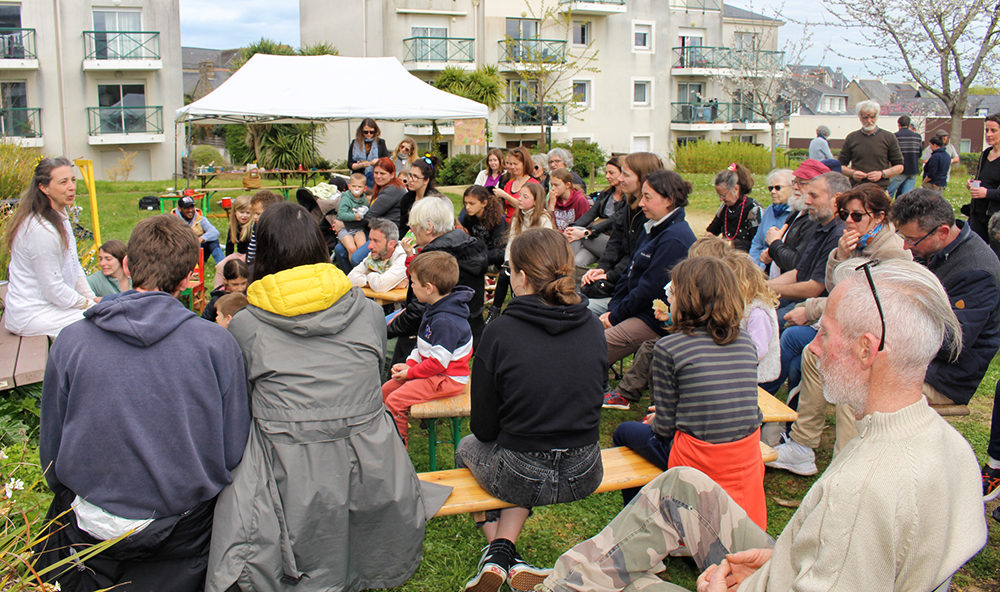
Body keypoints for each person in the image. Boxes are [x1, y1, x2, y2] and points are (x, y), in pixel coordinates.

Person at [534, 259, 987, 592]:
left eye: (823, 334)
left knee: (621, 584)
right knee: (681, 486)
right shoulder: (944, 444)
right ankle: (566, 577)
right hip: (787, 565)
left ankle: (563, 582)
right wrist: (776, 562)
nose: (811, 350)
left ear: (868, 350)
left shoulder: (869, 486)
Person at [206, 202, 439, 592]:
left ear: (263, 254)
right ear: (318, 247)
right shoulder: (364, 313)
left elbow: (238, 408)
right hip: (370, 465)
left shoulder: (245, 325)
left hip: (288, 472)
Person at [35, 214, 251, 591]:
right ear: (188, 278)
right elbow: (233, 450)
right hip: (185, 527)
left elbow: (51, 447)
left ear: (127, 265)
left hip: (89, 520)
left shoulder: (71, 341)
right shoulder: (217, 345)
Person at [457, 228, 606, 592]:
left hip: (521, 471)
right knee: (517, 454)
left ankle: (498, 550)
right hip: (586, 466)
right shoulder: (591, 324)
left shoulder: (500, 332)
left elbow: (484, 429)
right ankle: (505, 553)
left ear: (521, 277)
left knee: (466, 448)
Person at [765, 185, 911, 472]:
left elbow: (863, 302)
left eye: (857, 215)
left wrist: (810, 309)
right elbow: (834, 287)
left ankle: (844, 461)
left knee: (837, 364)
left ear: (880, 216)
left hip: (882, 338)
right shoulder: (853, 240)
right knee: (812, 354)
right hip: (854, 329)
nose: (850, 221)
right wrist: (841, 256)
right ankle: (802, 445)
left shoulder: (891, 251)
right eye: (845, 214)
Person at [611, 257, 766, 525]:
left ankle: (644, 520)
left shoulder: (669, 348)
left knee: (624, 432)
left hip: (699, 460)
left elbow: (665, 430)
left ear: (685, 299)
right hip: (744, 456)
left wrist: (657, 419)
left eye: (672, 291)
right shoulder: (745, 342)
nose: (668, 295)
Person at [603, 236, 735, 410]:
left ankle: (655, 405)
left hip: (695, 346)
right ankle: (632, 396)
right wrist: (670, 317)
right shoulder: (700, 288)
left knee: (658, 352)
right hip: (685, 339)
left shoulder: (710, 294)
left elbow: (698, 323)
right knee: (650, 349)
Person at [601, 170, 697, 365]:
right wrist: (614, 307)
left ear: (668, 200)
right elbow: (629, 273)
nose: (641, 203)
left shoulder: (674, 239)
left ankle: (598, 388)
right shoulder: (653, 227)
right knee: (582, 312)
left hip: (653, 318)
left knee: (596, 345)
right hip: (630, 307)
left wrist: (615, 316)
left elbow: (648, 291)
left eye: (647, 197)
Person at [382, 251, 473, 447]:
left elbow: (438, 363)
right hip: (433, 371)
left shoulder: (445, 321)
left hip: (447, 378)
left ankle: (398, 448)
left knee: (395, 401)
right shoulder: (434, 306)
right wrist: (409, 364)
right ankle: (383, 436)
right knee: (385, 392)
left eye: (413, 282)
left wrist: (411, 373)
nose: (411, 286)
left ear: (429, 288)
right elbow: (422, 345)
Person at [389, 196, 487, 365]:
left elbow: (418, 313)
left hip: (437, 337)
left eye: (413, 227)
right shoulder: (470, 246)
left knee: (387, 360)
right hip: (470, 330)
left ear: (429, 228)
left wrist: (386, 330)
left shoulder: (434, 259)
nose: (411, 231)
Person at [3, 157, 96, 337]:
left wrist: (91, 297)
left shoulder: (60, 216)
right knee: (99, 326)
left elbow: (74, 265)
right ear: (44, 188)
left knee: (106, 317)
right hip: (32, 314)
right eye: (63, 182)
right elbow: (53, 290)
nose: (72, 187)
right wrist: (88, 304)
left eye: (73, 180)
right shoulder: (41, 230)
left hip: (54, 307)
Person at [581, 152, 663, 315]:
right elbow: (616, 242)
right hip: (620, 280)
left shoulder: (649, 214)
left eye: (625, 174)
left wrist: (609, 276)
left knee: (580, 308)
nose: (620, 179)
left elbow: (636, 256)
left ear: (642, 177)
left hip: (630, 290)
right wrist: (602, 269)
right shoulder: (629, 204)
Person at [767, 172, 849, 327]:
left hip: (817, 306)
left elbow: (813, 289)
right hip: (802, 298)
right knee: (755, 307)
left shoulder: (838, 234)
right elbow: (799, 272)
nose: (808, 201)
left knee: (767, 322)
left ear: (836, 199)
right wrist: (761, 286)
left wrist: (763, 288)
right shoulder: (821, 225)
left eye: (814, 196)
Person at [487, 183, 554, 322]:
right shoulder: (518, 217)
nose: (520, 199)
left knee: (517, 274)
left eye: (525, 196)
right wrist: (508, 261)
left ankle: (519, 306)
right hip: (519, 258)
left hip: (536, 260)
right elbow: (512, 241)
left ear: (536, 201)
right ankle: (495, 311)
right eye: (519, 195)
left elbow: (544, 247)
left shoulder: (543, 218)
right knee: (505, 273)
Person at [335, 157, 407, 270]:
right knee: (340, 250)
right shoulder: (381, 188)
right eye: (376, 172)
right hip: (373, 228)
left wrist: (344, 225)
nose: (378, 176)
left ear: (392, 174)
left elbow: (369, 216)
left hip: (386, 234)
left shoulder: (393, 190)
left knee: (356, 258)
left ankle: (366, 282)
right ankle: (351, 281)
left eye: (382, 173)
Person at [759, 160, 827, 278]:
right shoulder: (798, 210)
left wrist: (774, 244)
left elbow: (797, 264)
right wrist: (771, 254)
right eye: (795, 181)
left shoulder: (815, 218)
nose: (795, 187)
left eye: (802, 183)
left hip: (790, 291)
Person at [565, 157, 626, 272]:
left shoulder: (628, 198)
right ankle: (574, 287)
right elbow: (590, 214)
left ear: (623, 173)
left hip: (613, 242)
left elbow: (613, 220)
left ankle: (563, 274)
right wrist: (571, 227)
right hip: (597, 238)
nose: (607, 176)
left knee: (576, 233)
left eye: (611, 173)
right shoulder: (606, 194)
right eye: (606, 172)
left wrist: (588, 232)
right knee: (577, 261)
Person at [838, 100, 904, 189]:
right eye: (865, 117)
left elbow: (899, 166)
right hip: (857, 188)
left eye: (872, 117)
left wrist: (882, 174)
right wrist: (853, 173)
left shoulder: (888, 137)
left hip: (880, 188)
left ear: (877, 116)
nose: (869, 121)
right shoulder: (851, 138)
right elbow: (840, 165)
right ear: (859, 117)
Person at [706, 163, 762, 252]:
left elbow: (757, 244)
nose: (721, 199)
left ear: (736, 189)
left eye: (723, 195)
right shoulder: (725, 207)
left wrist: (730, 244)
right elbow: (711, 231)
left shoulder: (753, 209)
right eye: (719, 195)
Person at [966, 113, 1000, 258]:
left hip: (996, 217)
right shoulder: (986, 154)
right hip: (977, 213)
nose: (989, 134)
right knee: (973, 254)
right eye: (986, 130)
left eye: (993, 130)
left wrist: (987, 193)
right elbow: (984, 178)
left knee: (996, 257)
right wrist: (972, 183)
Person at [748, 169, 794, 271]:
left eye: (778, 188)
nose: (773, 192)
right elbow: (757, 242)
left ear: (793, 188)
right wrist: (754, 267)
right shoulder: (769, 210)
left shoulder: (796, 214)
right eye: (771, 188)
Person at [347, 217, 408, 292]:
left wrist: (367, 274)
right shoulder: (376, 253)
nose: (370, 246)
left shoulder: (403, 257)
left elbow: (380, 286)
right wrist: (370, 281)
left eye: (376, 241)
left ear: (391, 244)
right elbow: (350, 278)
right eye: (370, 240)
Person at [460, 185, 508, 270]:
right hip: (474, 256)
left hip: (492, 261)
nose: (467, 207)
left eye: (472, 203)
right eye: (466, 203)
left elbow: (499, 252)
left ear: (484, 203)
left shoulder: (498, 221)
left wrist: (475, 259)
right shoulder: (469, 218)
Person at [399, 154, 446, 236]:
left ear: (426, 180)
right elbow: (403, 227)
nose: (410, 180)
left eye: (415, 176)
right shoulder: (406, 199)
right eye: (410, 175)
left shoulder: (435, 201)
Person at [213, 194, 253, 289]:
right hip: (238, 254)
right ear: (235, 212)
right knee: (220, 266)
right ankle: (218, 290)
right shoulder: (234, 225)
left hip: (249, 255)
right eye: (241, 212)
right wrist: (228, 262)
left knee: (242, 268)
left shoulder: (252, 227)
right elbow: (229, 245)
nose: (244, 216)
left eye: (248, 213)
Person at [173, 194, 225, 266]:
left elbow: (215, 232)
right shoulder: (173, 221)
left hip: (198, 250)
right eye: (186, 208)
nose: (190, 210)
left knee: (213, 240)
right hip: (182, 254)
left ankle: (222, 265)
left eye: (192, 207)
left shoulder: (200, 218)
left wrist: (201, 239)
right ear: (179, 209)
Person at [493, 146, 539, 224]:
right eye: (510, 164)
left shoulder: (533, 184)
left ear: (525, 164)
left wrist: (505, 196)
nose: (512, 167)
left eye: (516, 164)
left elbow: (528, 207)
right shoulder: (509, 183)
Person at [201, 258, 249, 324]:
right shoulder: (218, 298)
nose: (240, 288)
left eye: (243, 283)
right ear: (225, 280)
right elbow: (204, 321)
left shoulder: (248, 294)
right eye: (235, 284)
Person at [887, 114, 922, 198]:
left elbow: (890, 153)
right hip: (913, 169)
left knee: (888, 193)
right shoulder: (917, 137)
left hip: (899, 169)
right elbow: (919, 152)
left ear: (898, 124)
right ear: (910, 124)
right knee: (906, 197)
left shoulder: (894, 136)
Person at [245, 189, 282, 267]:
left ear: (270, 212)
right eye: (254, 213)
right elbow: (253, 246)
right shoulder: (257, 225)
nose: (255, 217)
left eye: (258, 214)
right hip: (257, 261)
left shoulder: (277, 227)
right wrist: (248, 264)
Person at [337, 172, 371, 257]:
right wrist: (354, 217)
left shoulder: (364, 201)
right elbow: (341, 214)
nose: (356, 189)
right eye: (354, 186)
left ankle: (361, 267)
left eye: (359, 187)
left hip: (358, 229)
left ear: (365, 188)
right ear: (349, 187)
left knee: (362, 249)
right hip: (345, 229)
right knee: (351, 248)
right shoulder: (345, 199)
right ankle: (353, 269)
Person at [348, 118, 388, 188]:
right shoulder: (354, 143)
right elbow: (350, 164)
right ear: (361, 131)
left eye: (371, 132)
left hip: (375, 178)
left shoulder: (380, 142)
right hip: (358, 179)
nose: (369, 134)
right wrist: (361, 165)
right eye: (366, 132)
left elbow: (386, 160)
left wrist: (378, 161)